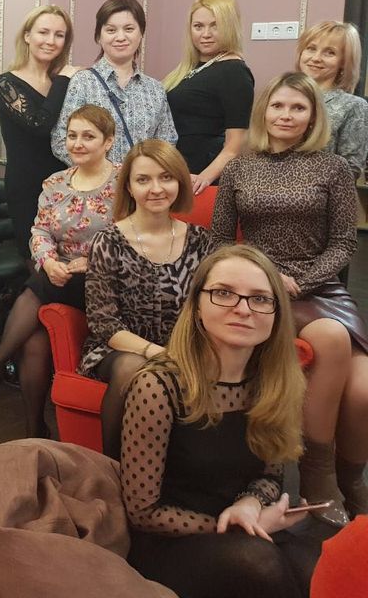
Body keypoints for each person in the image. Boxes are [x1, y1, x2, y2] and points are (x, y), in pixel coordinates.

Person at [123, 245, 326, 598]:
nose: (243, 309)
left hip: (247, 526)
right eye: (224, 293)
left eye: (259, 299)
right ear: (196, 307)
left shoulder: (275, 382)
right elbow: (142, 512)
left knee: (320, 570)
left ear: (276, 314)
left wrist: (250, 504)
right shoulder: (157, 386)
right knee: (260, 565)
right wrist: (234, 525)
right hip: (171, 541)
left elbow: (270, 475)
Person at [212, 71, 368, 526]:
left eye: (298, 107)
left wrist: (302, 279)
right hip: (256, 287)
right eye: (278, 105)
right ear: (264, 111)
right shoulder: (240, 167)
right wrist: (267, 278)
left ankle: (352, 480)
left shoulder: (333, 168)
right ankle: (317, 474)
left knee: (363, 392)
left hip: (319, 288)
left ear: (312, 116)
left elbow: (344, 242)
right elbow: (220, 240)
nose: (286, 115)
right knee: (331, 339)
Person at [0, 105, 118, 438]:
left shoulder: (124, 181)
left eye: (88, 136)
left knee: (35, 287)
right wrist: (49, 262)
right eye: (72, 135)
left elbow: (133, 234)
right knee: (34, 339)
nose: (77, 143)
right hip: (58, 276)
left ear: (108, 141)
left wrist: (91, 261)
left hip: (105, 279)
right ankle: (34, 428)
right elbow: (40, 231)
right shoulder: (55, 183)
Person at [78, 139, 211, 458]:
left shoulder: (200, 240)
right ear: (129, 187)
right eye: (143, 179)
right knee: (133, 367)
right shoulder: (108, 241)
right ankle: (112, 468)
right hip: (119, 348)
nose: (156, 188)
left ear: (180, 182)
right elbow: (104, 324)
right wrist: (159, 353)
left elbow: (208, 309)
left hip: (182, 346)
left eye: (166, 177)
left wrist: (187, 352)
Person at [52, 0, 176, 165]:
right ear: (99, 36)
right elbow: (60, 141)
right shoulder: (82, 83)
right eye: (111, 30)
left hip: (141, 181)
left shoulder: (155, 89)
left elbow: (167, 143)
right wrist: (102, 174)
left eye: (129, 29)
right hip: (95, 181)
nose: (120, 37)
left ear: (141, 34)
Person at [0, 5, 76, 258]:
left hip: (64, 184)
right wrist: (63, 79)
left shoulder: (64, 82)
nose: (51, 41)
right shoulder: (6, 83)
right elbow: (39, 125)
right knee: (38, 262)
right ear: (27, 36)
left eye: (59, 35)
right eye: (43, 32)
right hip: (26, 187)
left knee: (67, 262)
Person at [163, 0, 255, 193]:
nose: (205, 34)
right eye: (198, 26)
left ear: (229, 26)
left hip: (202, 180)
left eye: (215, 26)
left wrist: (204, 178)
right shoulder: (190, 69)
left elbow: (235, 145)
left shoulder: (234, 71)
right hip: (178, 172)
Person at [295, 20, 368, 180]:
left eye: (329, 52)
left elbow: (351, 169)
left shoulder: (353, 106)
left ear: (344, 62)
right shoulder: (282, 97)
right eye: (311, 48)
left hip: (321, 193)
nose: (316, 58)